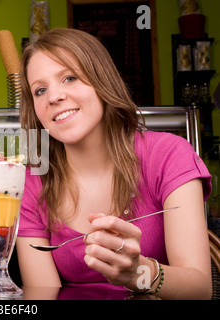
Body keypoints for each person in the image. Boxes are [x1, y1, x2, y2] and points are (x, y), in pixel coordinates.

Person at [16, 28, 213, 299]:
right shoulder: (32, 181)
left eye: (69, 77)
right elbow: (42, 294)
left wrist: (140, 273)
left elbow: (200, 288)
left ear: (101, 80)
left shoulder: (168, 154)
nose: (54, 97)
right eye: (40, 90)